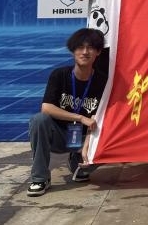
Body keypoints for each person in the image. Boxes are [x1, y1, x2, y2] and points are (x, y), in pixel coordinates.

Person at [27, 28, 108, 196]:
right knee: (39, 120)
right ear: (73, 50)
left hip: (85, 139)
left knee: (110, 134)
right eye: (80, 47)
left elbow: (98, 118)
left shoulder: (103, 81)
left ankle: (80, 165)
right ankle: (40, 178)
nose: (85, 52)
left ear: (98, 52)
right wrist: (80, 117)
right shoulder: (59, 75)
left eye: (90, 48)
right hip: (60, 135)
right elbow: (46, 108)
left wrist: (88, 148)